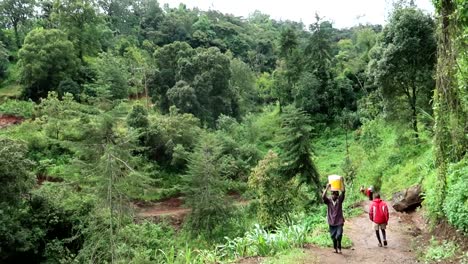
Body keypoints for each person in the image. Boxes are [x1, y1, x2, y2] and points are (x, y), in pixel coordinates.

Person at [322, 181, 346, 254]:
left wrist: (342, 182)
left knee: (339, 235)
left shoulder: (340, 200)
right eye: (332, 194)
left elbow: (343, 191)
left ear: (337, 195)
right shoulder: (328, 201)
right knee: (333, 236)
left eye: (335, 194)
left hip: (339, 221)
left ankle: (339, 248)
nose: (333, 196)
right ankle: (335, 248)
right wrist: (327, 188)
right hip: (331, 221)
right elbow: (323, 197)